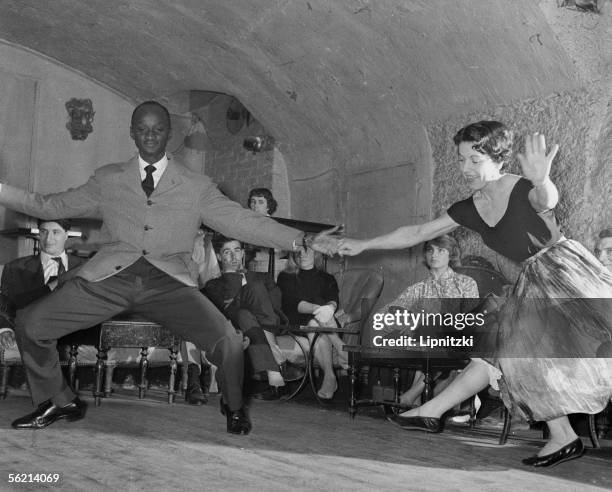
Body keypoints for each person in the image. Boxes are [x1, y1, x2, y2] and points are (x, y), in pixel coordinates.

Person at [0, 100, 338, 435]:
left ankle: (234, 406)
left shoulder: (196, 186)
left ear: (169, 133)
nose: (150, 135)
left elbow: (241, 221)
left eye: (158, 129)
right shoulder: (108, 179)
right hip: (110, 277)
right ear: (132, 132)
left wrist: (300, 240)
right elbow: (49, 204)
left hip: (168, 281)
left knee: (230, 342)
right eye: (143, 129)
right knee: (31, 323)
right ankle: (58, 400)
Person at [339, 121, 612, 467]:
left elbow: (546, 199)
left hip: (565, 271)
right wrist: (364, 244)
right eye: (461, 160)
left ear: (498, 158)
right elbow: (419, 231)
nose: (465, 168)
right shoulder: (469, 207)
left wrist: (542, 178)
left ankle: (555, 435)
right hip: (535, 280)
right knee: (513, 354)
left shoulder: (520, 186)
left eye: (474, 159)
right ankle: (562, 436)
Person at [376, 234, 478, 407]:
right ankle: (417, 400)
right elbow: (386, 311)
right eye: (430, 250)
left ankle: (411, 397)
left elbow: (471, 318)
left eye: (441, 250)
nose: (434, 255)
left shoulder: (465, 283)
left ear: (451, 254)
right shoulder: (419, 288)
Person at [203, 236, 286, 400]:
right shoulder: (213, 285)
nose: (233, 257)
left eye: (237, 250)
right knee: (245, 303)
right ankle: (272, 352)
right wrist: (236, 280)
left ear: (243, 254)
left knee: (245, 313)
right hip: (231, 326)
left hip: (254, 325)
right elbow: (220, 312)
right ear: (219, 257)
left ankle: (273, 372)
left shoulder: (263, 278)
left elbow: (275, 306)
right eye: (227, 252)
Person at [0, 219, 86, 351]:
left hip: (77, 340)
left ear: (67, 234)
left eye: (55, 232)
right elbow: (5, 305)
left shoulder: (85, 267)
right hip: (30, 338)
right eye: (44, 232)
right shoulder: (15, 268)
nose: (48, 238)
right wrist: (5, 329)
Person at [277, 246, 347, 399]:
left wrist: (328, 308)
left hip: (319, 324)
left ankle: (329, 377)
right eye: (298, 251)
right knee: (319, 312)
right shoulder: (285, 276)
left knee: (316, 323)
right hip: (296, 321)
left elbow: (333, 300)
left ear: (316, 252)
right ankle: (340, 347)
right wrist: (320, 309)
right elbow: (295, 304)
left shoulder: (327, 278)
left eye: (307, 250)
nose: (302, 255)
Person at [246, 187, 288, 278]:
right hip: (253, 266)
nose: (255, 206)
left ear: (268, 206)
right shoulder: (248, 223)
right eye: (253, 201)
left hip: (272, 267)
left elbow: (279, 250)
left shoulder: (274, 224)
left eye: (260, 202)